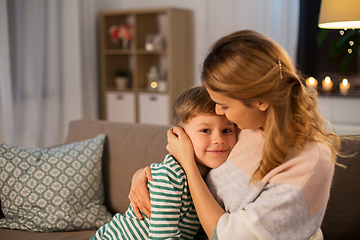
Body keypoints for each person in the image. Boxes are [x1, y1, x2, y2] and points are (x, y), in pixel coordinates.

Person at [129, 30, 340, 240]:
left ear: (261, 100)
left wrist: (187, 164)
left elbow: (226, 236)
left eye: (224, 106)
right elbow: (202, 143)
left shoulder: (307, 163)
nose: (220, 112)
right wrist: (150, 176)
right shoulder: (251, 125)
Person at [91, 86, 237, 240]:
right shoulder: (169, 176)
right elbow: (162, 236)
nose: (219, 140)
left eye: (226, 131)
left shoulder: (212, 177)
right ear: (179, 135)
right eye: (205, 130)